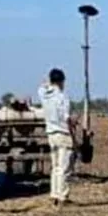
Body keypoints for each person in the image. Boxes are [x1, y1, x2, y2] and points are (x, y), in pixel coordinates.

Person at [39, 68, 75, 206]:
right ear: (62, 81)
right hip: (63, 133)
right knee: (64, 167)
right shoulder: (62, 97)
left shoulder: (43, 94)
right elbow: (66, 118)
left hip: (50, 133)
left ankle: (54, 194)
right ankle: (62, 196)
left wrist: (49, 82)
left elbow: (42, 86)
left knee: (55, 167)